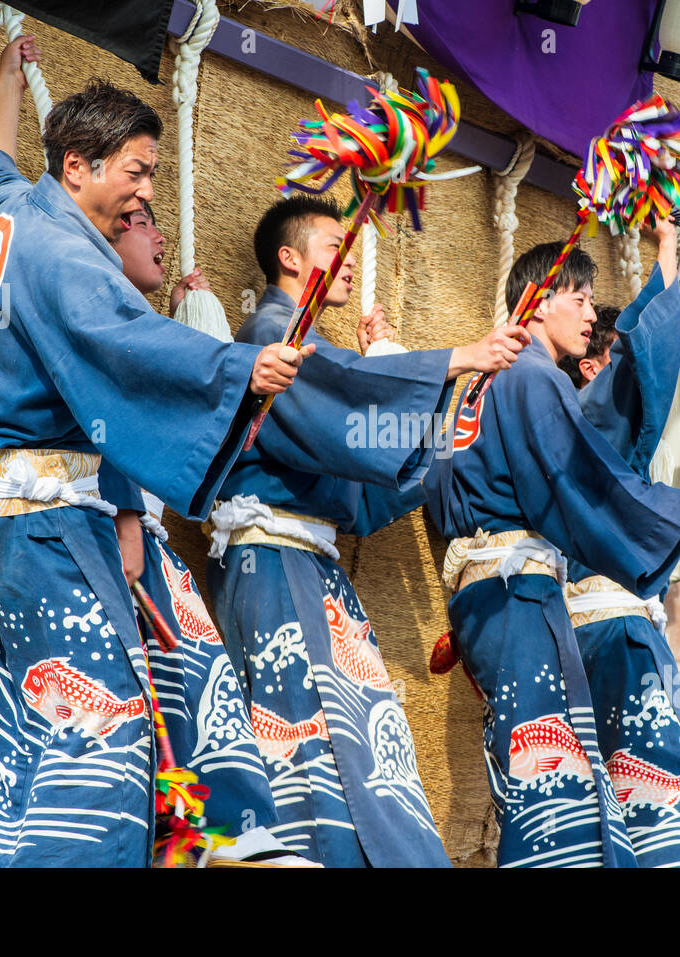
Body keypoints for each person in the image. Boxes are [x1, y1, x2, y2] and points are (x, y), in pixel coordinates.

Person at [0, 36, 312, 868]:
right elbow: (132, 345)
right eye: (137, 172)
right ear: (77, 165)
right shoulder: (69, 254)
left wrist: (6, 78)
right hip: (49, 525)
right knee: (102, 738)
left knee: (38, 729)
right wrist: (241, 366)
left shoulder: (4, 210)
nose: (145, 192)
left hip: (6, 522)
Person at [205, 195, 530, 867]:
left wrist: (424, 381)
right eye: (334, 244)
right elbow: (341, 393)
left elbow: (363, 482)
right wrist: (454, 357)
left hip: (307, 563)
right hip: (270, 561)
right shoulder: (272, 331)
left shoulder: (309, 345)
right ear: (289, 258)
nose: (348, 260)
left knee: (364, 744)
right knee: (300, 740)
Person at [424, 237, 680, 867]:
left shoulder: (479, 387)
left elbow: (439, 490)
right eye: (580, 298)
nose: (591, 315)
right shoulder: (535, 377)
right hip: (522, 597)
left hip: (488, 596)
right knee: (558, 775)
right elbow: (582, 480)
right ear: (537, 305)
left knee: (542, 765)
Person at [561, 222, 680, 866]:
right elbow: (637, 365)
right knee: (668, 799)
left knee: (598, 810)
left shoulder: (540, 426)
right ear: (592, 368)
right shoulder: (587, 416)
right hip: (612, 629)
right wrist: (664, 255)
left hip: (575, 633)